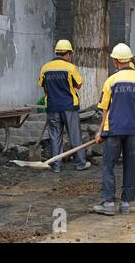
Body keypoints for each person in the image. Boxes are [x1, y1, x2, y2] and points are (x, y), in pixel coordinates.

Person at [93, 43, 135, 216]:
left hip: (113, 130)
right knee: (130, 166)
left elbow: (105, 110)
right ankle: (125, 204)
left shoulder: (111, 81)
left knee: (108, 166)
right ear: (130, 60)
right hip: (133, 130)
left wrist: (100, 132)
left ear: (116, 62)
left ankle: (108, 203)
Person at [38, 39, 90, 173]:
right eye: (70, 54)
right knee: (74, 135)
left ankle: (56, 166)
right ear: (67, 54)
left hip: (52, 107)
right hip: (69, 107)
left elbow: (44, 87)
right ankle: (80, 163)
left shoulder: (45, 67)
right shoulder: (70, 68)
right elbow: (78, 85)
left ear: (56, 52)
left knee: (55, 136)